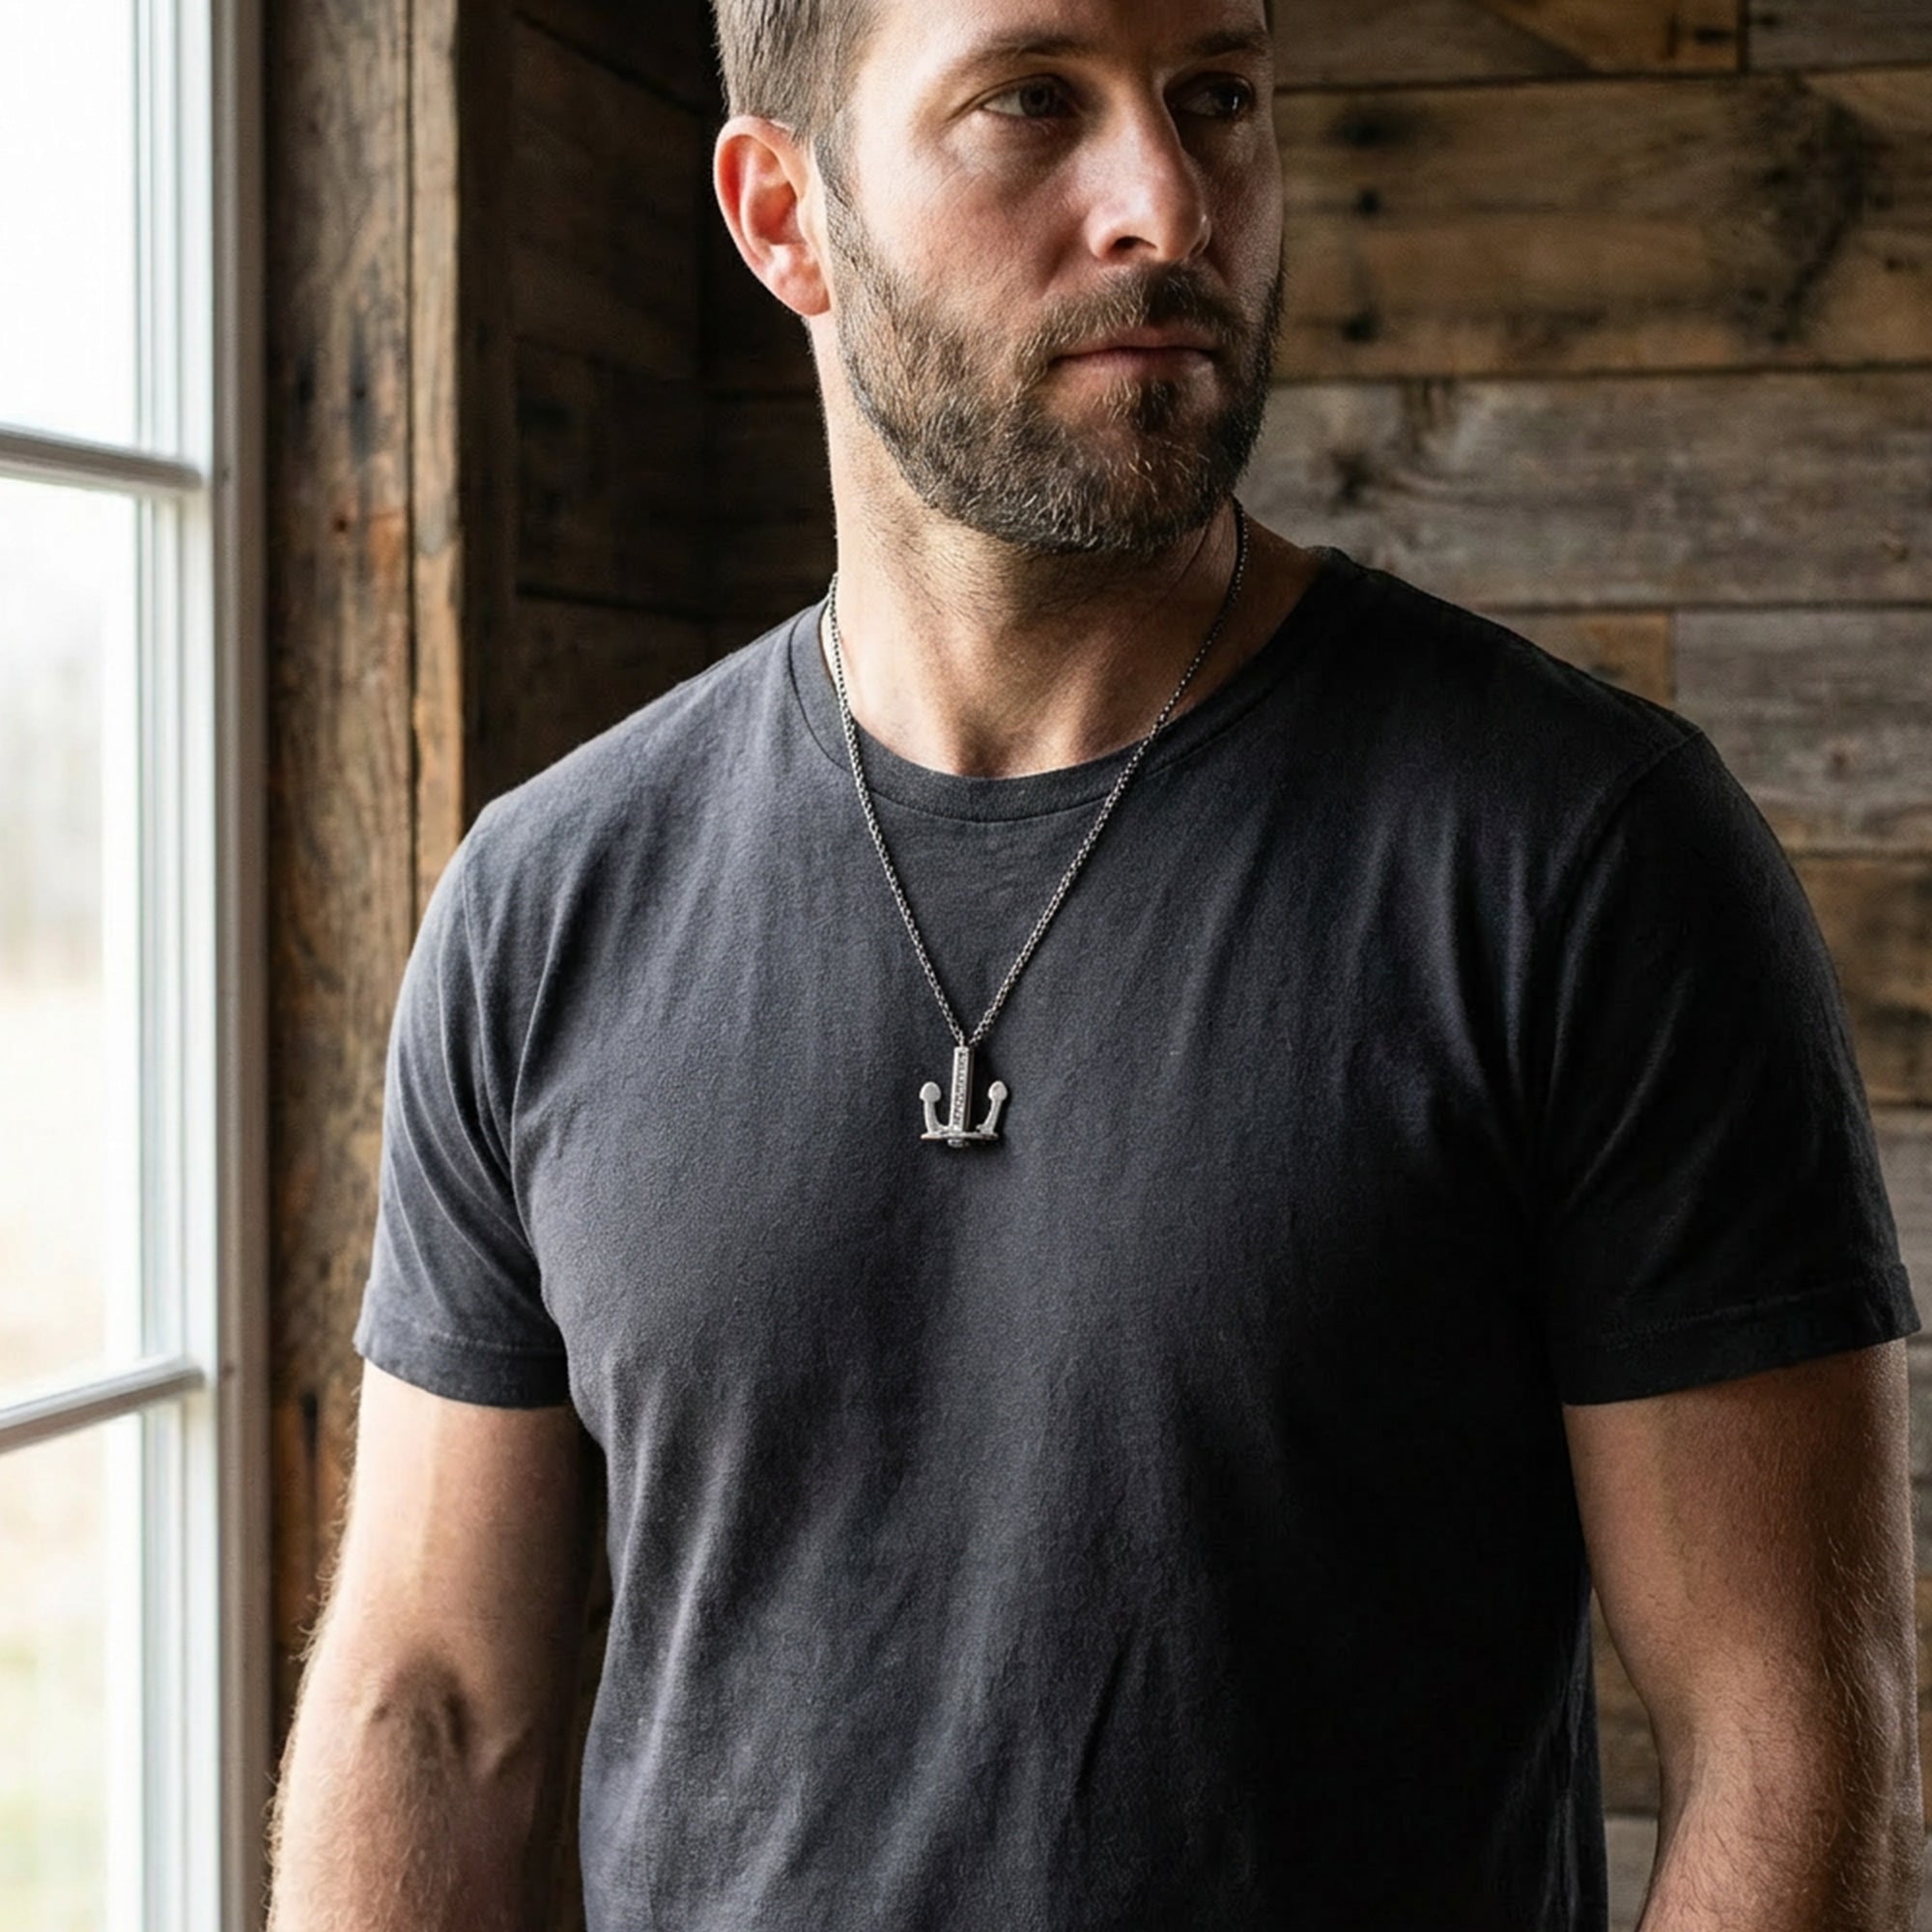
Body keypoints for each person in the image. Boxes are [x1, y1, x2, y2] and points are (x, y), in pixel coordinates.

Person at [266, 1, 1927, 1926]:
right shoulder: (542, 907)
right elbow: (432, 1705)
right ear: (785, 214)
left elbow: (1786, 1738)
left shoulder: (1586, 856)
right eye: (1029, 103)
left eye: (1216, 99)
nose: (1168, 200)